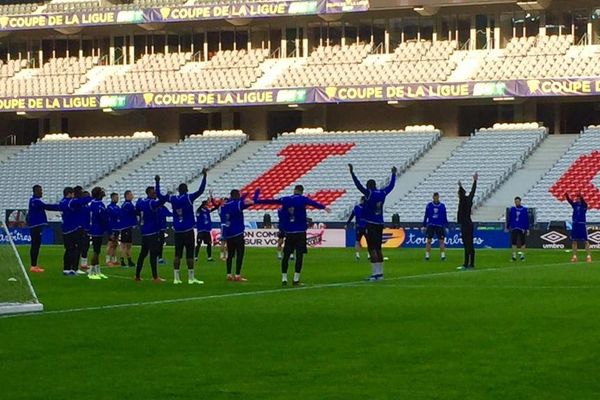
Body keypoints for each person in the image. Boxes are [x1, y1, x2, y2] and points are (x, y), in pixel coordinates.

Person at [255, 186, 330, 286]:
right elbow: (314, 203)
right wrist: (324, 207)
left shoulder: (285, 199)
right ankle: (296, 279)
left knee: (286, 256)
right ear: (301, 192)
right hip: (300, 232)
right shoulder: (303, 199)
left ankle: (284, 278)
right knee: (299, 256)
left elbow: (272, 201)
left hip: (289, 232)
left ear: (294, 190)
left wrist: (257, 201)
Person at [158, 169, 207, 285]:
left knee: (177, 254)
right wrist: (204, 177)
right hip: (188, 229)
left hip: (178, 230)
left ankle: (176, 277)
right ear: (186, 190)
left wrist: (157, 183)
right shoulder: (189, 198)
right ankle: (191, 278)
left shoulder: (173, 199)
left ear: (179, 191)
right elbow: (201, 190)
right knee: (190, 254)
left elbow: (160, 196)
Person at [349, 164, 397, 281]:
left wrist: (352, 174)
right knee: (378, 248)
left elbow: (358, 186)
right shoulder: (382, 193)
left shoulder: (369, 194)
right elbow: (391, 186)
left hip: (370, 223)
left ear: (368, 187)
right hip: (380, 223)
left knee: (372, 249)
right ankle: (380, 273)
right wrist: (393, 174)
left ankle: (375, 274)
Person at [135, 176, 168, 282]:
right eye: (153, 193)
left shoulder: (141, 202)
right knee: (153, 255)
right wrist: (158, 183)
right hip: (152, 232)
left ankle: (137, 275)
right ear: (149, 193)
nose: (155, 195)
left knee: (142, 254)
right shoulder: (151, 203)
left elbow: (137, 209)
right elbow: (161, 201)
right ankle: (155, 277)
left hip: (145, 232)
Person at [219, 189, 255, 281]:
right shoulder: (237, 203)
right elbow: (249, 203)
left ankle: (228, 274)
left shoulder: (225, 206)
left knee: (230, 255)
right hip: (238, 233)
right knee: (240, 254)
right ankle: (238, 275)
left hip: (229, 233)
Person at [58, 187, 92, 276]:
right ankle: (74, 268)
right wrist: (93, 196)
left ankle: (67, 268)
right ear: (70, 193)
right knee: (75, 249)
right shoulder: (70, 202)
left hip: (67, 228)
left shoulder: (62, 202)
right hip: (73, 229)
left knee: (69, 249)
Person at [27, 185, 60, 273]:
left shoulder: (34, 200)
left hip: (36, 226)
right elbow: (47, 206)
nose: (42, 192)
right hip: (36, 226)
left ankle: (34, 265)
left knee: (36, 245)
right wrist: (59, 207)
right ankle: (33, 266)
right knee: (35, 245)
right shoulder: (35, 201)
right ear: (35, 191)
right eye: (40, 191)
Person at [457, 173, 478, 270]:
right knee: (469, 244)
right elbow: (472, 192)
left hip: (465, 225)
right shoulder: (467, 200)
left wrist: (461, 186)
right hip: (468, 224)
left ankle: (468, 264)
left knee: (467, 244)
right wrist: (475, 181)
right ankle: (469, 264)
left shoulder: (462, 202)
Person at [88, 187, 109, 280]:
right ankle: (91, 271)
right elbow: (103, 218)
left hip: (96, 229)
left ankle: (97, 270)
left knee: (98, 251)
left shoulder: (92, 203)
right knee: (96, 251)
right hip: (97, 229)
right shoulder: (99, 205)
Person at [565, 193, 592, 263]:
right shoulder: (575, 205)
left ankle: (588, 256)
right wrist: (566, 196)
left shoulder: (584, 205)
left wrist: (581, 196)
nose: (576, 199)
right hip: (575, 224)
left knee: (586, 241)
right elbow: (570, 201)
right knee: (574, 241)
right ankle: (574, 257)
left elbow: (583, 201)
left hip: (581, 224)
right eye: (576, 198)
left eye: (578, 198)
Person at [422, 192, 448, 261]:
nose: (436, 198)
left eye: (437, 197)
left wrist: (446, 226)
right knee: (429, 240)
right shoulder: (429, 205)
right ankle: (427, 256)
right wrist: (424, 225)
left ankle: (443, 256)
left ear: (438, 197)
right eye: (435, 197)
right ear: (433, 197)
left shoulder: (442, 206)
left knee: (441, 241)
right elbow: (426, 216)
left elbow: (445, 216)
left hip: (439, 225)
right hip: (431, 225)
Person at [506, 196, 529, 261]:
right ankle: (514, 256)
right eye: (516, 201)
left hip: (522, 228)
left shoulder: (524, 210)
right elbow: (510, 218)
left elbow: (526, 219)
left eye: (518, 201)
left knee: (523, 242)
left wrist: (527, 229)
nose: (517, 202)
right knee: (513, 242)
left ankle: (522, 255)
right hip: (514, 227)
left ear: (520, 202)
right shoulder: (512, 209)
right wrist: (508, 226)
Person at [74, 186, 91, 271]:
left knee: (86, 246)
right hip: (81, 228)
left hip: (87, 227)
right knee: (79, 247)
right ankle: (75, 266)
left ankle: (84, 263)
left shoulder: (87, 206)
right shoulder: (80, 205)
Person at [119, 190, 137, 268]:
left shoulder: (128, 204)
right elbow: (135, 212)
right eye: (131, 194)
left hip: (127, 227)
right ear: (127, 195)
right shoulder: (127, 204)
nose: (132, 196)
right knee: (125, 244)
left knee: (128, 244)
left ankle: (129, 261)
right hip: (125, 227)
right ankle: (123, 261)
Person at [346, 196, 367, 260]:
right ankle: (369, 255)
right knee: (369, 241)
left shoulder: (357, 207)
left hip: (359, 227)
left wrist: (347, 223)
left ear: (361, 200)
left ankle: (357, 255)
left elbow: (352, 216)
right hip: (366, 227)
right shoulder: (368, 208)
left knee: (357, 241)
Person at [106, 192, 121, 267]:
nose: (117, 199)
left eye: (117, 197)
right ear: (112, 198)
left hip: (117, 228)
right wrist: (110, 230)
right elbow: (110, 218)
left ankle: (114, 259)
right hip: (112, 228)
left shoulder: (117, 207)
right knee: (110, 244)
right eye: (116, 197)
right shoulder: (109, 207)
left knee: (115, 244)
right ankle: (108, 260)